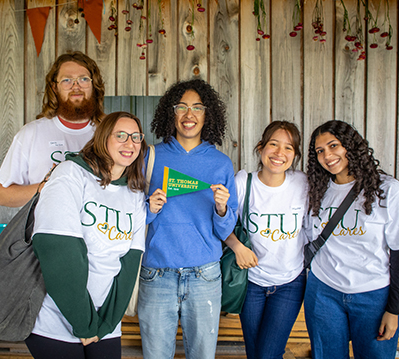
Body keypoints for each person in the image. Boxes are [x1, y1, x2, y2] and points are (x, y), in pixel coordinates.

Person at [25, 112, 147, 359]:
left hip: (105, 322)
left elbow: (130, 263)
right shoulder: (70, 174)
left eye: (136, 137)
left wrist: (106, 323)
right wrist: (83, 323)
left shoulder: (134, 193)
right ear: (103, 138)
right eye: (120, 135)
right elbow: (59, 251)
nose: (130, 143)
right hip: (56, 319)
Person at [137, 79, 238, 359]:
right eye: (181, 107)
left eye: (197, 107)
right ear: (172, 113)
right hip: (156, 274)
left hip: (205, 275)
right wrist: (150, 208)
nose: (188, 114)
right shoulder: (149, 157)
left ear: (208, 115)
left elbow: (227, 228)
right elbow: (129, 218)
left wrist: (221, 210)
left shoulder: (221, 163)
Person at [304, 120, 399, 359]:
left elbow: (398, 252)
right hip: (323, 293)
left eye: (333, 145)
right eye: (320, 151)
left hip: (373, 296)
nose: (327, 155)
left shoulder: (387, 190)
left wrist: (394, 310)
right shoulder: (317, 190)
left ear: (350, 145)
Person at [224, 121, 308, 359]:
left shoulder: (302, 183)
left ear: (295, 155)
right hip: (251, 282)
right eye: (273, 144)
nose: (279, 153)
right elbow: (220, 221)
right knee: (255, 352)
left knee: (269, 353)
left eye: (288, 148)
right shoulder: (243, 182)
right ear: (261, 148)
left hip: (289, 282)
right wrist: (236, 246)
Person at [0, 51, 105, 208]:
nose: (76, 86)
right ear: (55, 87)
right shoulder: (31, 134)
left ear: (94, 85)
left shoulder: (111, 134)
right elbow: (2, 195)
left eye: (84, 79)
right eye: (67, 80)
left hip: (96, 231)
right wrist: (46, 187)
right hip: (45, 230)